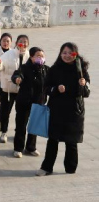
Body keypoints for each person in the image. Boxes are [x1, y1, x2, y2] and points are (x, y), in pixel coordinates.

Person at [37, 43, 90, 176]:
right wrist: (56, 89)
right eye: (64, 53)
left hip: (74, 111)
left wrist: (83, 85)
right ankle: (46, 167)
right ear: (60, 54)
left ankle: (70, 168)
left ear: (75, 55)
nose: (67, 56)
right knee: (53, 140)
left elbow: (86, 93)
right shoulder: (54, 69)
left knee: (71, 141)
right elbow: (46, 88)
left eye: (70, 53)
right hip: (57, 110)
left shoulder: (81, 70)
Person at [11, 47, 49, 158]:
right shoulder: (24, 67)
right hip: (24, 101)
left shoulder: (46, 69)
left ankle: (31, 147)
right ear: (31, 57)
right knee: (21, 126)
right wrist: (17, 79)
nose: (40, 58)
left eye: (42, 56)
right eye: (38, 55)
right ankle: (18, 148)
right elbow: (17, 75)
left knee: (35, 126)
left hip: (39, 102)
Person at [0, 35, 30, 143]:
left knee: (21, 114)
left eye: (25, 42)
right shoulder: (8, 54)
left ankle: (18, 132)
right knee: (5, 111)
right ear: (16, 43)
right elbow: (0, 68)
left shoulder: (29, 56)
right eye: (21, 41)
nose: (23, 44)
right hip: (8, 88)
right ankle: (4, 131)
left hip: (22, 90)